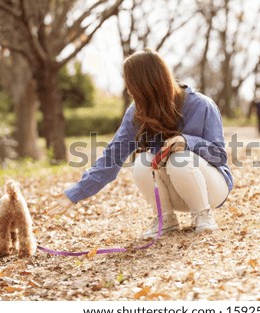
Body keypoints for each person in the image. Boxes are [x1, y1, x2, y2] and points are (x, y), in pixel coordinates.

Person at [48, 48, 233, 239]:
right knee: (142, 162)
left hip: (212, 190)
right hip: (177, 191)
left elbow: (219, 156)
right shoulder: (136, 113)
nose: (129, 90)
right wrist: (75, 193)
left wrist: (187, 142)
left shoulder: (202, 105)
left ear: (146, 85)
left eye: (131, 84)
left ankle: (203, 215)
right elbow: (112, 158)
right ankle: (165, 219)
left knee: (180, 158)